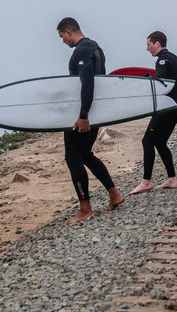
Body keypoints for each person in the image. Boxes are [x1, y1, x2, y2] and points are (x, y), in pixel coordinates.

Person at [57, 17, 124, 224]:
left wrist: (83, 115)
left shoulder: (82, 50)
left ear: (69, 31)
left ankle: (85, 208)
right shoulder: (96, 47)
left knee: (73, 158)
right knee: (86, 154)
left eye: (62, 37)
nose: (63, 42)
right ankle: (114, 195)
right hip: (95, 113)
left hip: (84, 115)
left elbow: (88, 83)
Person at [129, 31, 177, 195]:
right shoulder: (176, 59)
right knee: (159, 142)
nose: (147, 49)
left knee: (147, 141)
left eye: (148, 45)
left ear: (157, 44)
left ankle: (146, 182)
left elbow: (161, 85)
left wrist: (147, 79)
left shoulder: (162, 59)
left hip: (166, 108)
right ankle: (172, 179)